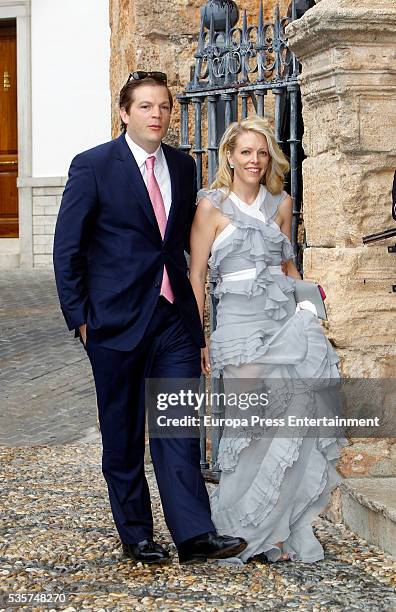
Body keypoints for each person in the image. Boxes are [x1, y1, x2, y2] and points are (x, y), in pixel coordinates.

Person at [53, 71, 246, 565]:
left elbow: (184, 245)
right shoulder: (93, 166)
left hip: (171, 321)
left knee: (178, 426)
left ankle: (194, 534)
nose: (157, 115)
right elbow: (68, 249)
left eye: (163, 106)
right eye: (145, 107)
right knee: (122, 434)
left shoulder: (183, 168)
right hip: (113, 323)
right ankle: (137, 533)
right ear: (124, 113)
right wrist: (81, 318)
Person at [189, 115, 344, 564]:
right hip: (237, 330)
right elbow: (196, 275)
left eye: (261, 152)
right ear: (230, 158)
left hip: (281, 323)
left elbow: (289, 270)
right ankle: (238, 530)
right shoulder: (210, 207)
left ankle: (274, 532)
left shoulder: (281, 204)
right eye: (245, 153)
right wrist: (199, 337)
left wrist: (308, 310)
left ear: (268, 157)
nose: (254, 160)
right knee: (248, 429)